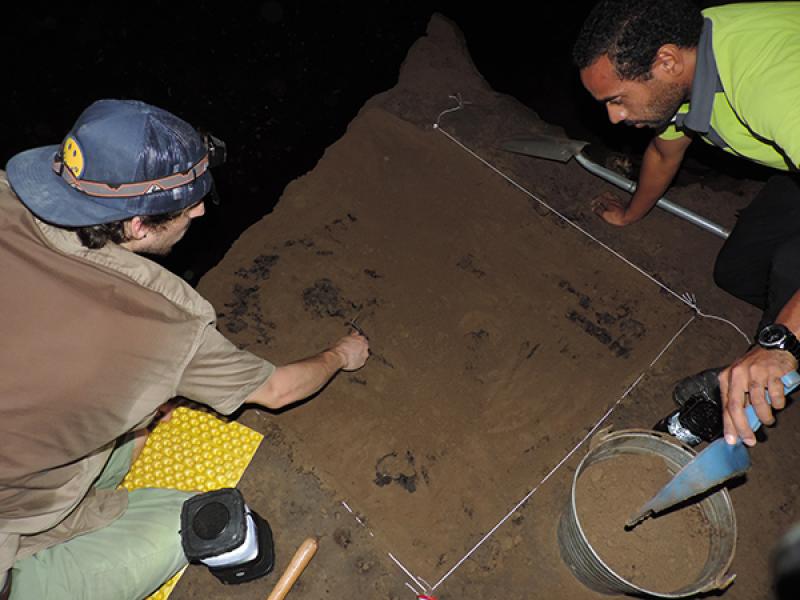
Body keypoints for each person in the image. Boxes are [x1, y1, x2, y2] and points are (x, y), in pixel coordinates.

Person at [0, 99, 369, 600]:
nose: (199, 210)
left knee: (132, 428)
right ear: (136, 225)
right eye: (187, 206)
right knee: (204, 522)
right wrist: (342, 354)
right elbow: (278, 390)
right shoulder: (162, 321)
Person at [572, 0, 800, 448]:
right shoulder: (689, 61)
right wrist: (630, 212)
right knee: (738, 270)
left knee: (792, 265)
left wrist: (781, 343)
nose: (614, 117)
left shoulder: (771, 86)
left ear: (667, 62)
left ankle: (777, 365)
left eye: (617, 100)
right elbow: (664, 151)